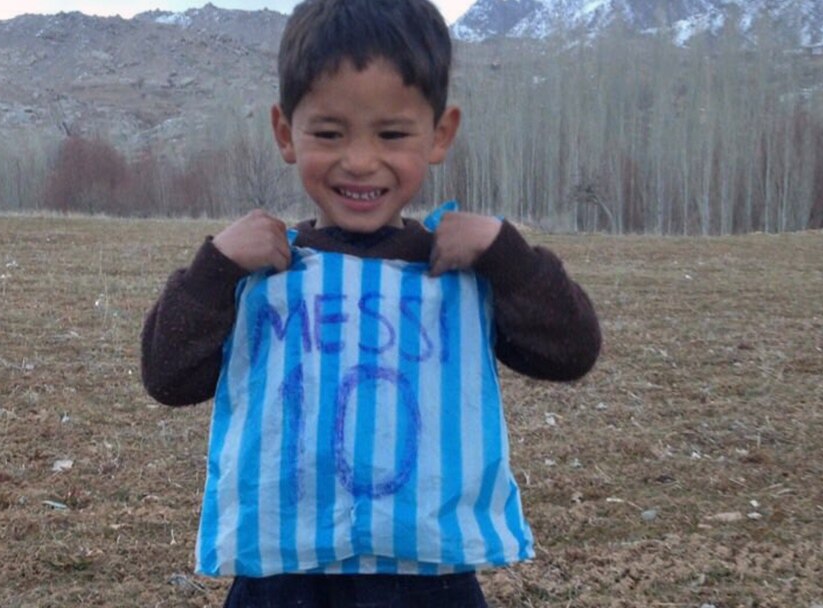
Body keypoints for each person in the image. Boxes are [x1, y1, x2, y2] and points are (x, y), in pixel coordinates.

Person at [140, 0, 602, 605]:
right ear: (285, 133)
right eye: (329, 133)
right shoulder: (258, 267)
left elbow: (571, 352)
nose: (360, 160)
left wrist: (507, 256)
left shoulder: (462, 267)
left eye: (392, 133)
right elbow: (167, 376)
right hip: (281, 579)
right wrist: (213, 269)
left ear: (440, 134)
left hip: (431, 580)